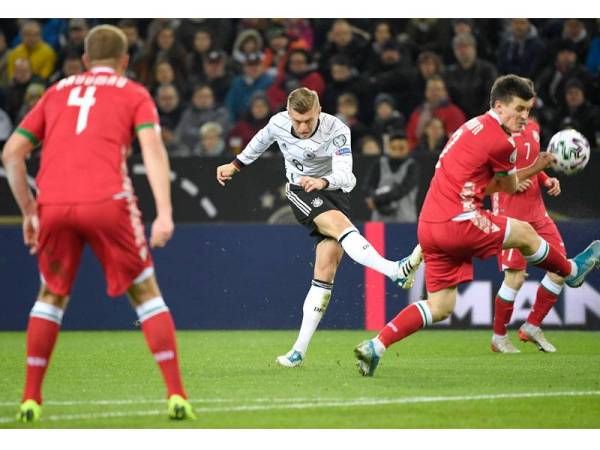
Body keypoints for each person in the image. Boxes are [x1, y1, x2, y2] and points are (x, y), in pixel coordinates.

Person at [1, 24, 195, 421]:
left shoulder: (55, 92)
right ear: (125, 62)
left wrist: (28, 211)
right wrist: (165, 213)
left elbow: (11, 154)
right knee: (145, 291)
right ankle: (176, 395)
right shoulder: (135, 93)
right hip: (108, 201)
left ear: (86, 60)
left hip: (54, 203)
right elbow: (153, 150)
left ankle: (31, 399)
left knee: (50, 295)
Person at [354, 75, 600, 377]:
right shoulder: (502, 142)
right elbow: (510, 187)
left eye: (528, 110)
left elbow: (485, 187)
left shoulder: (469, 128)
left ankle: (376, 346)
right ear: (498, 105)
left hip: (429, 225)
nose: (524, 117)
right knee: (525, 232)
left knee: (440, 306)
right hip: (459, 220)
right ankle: (572, 272)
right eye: (519, 109)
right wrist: (542, 163)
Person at [216, 87, 422, 368]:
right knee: (340, 228)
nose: (302, 127)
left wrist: (323, 182)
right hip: (301, 188)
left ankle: (298, 351)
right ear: (288, 113)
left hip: (334, 191)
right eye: (297, 120)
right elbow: (260, 141)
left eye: (308, 121)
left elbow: (344, 172)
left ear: (319, 112)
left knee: (325, 268)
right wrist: (235, 165)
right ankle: (394, 271)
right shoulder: (278, 123)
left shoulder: (336, 129)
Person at [490, 117, 564, 353]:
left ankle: (532, 325)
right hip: (511, 212)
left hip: (537, 212)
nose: (524, 109)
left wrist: (546, 178)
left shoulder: (533, 127)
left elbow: (532, 162)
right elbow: (488, 171)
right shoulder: (495, 131)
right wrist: (511, 181)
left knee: (560, 268)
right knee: (515, 278)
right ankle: (499, 337)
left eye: (528, 103)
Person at [363, 132, 419, 223]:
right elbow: (367, 186)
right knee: (373, 238)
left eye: (401, 148)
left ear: (407, 147)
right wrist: (370, 197)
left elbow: (403, 189)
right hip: (379, 219)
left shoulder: (412, 166)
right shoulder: (379, 164)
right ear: (388, 148)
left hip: (405, 221)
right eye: (394, 148)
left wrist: (376, 199)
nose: (397, 151)